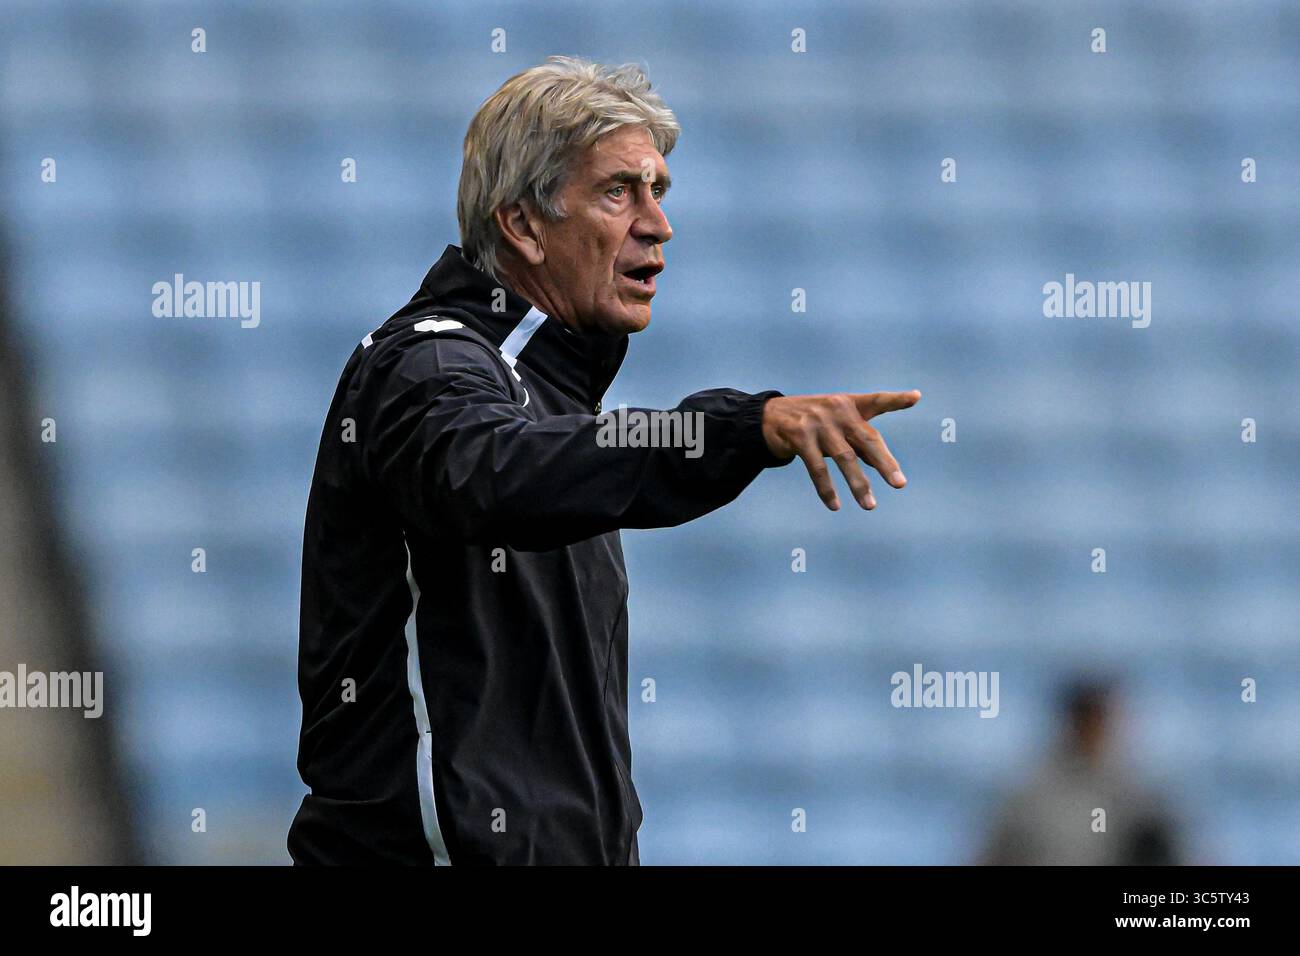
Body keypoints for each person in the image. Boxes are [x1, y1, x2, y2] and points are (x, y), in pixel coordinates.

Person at [289, 56, 920, 865]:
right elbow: (497, 469)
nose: (657, 224)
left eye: (660, 191)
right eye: (619, 192)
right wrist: (739, 428)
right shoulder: (427, 365)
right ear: (522, 225)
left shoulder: (552, 399)